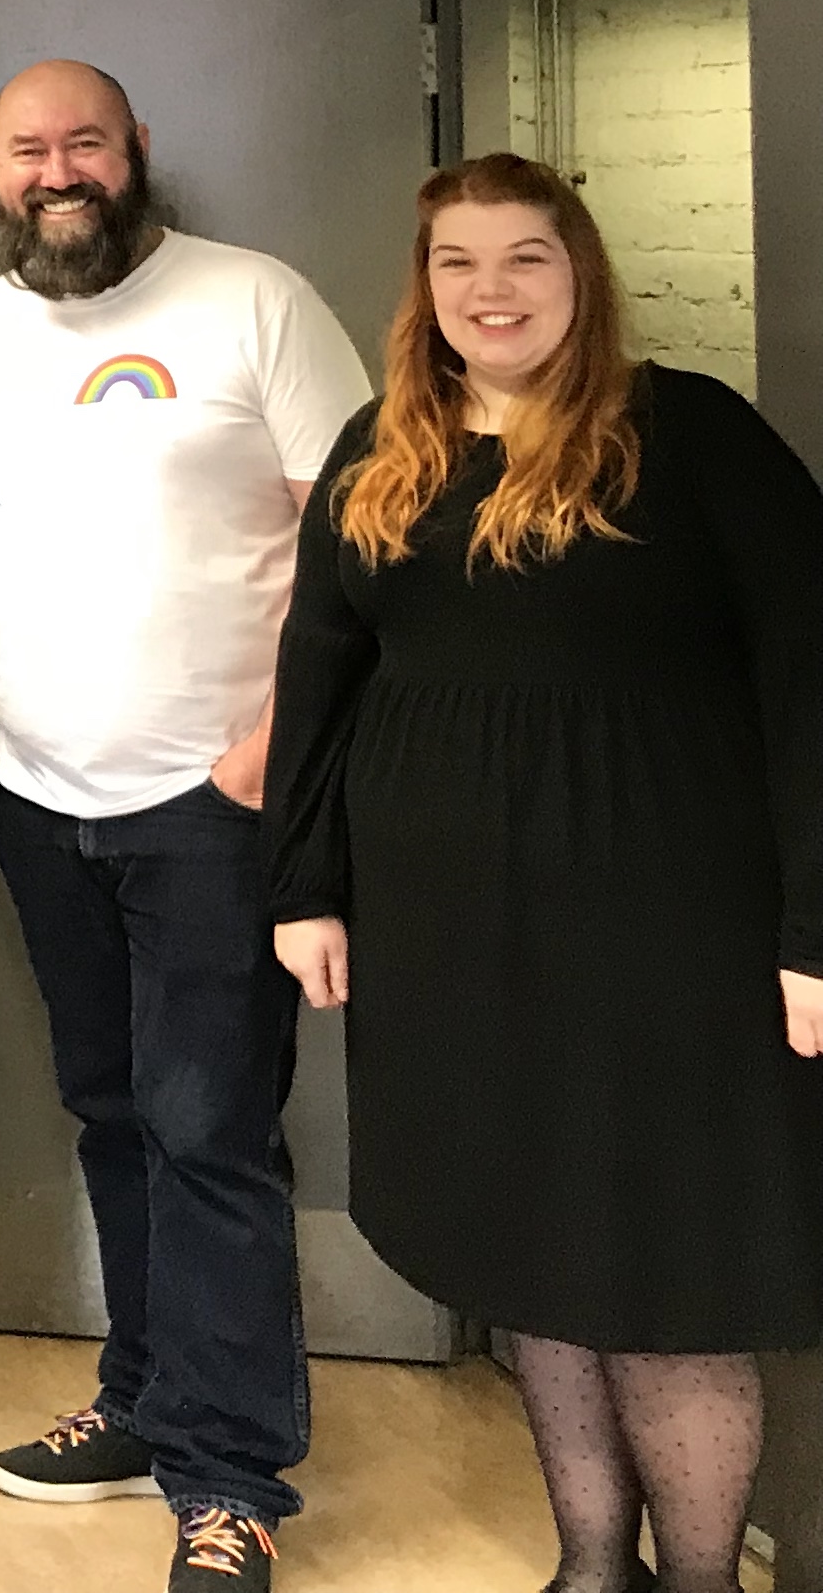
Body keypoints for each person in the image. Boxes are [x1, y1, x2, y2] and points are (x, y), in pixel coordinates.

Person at [268, 156, 823, 1593]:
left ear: (581, 273)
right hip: (450, 932)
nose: (492, 290)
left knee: (666, 1272)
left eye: (526, 257)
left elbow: (810, 673)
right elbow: (318, 669)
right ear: (425, 286)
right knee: (530, 1246)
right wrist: (302, 885)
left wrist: (815, 927)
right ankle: (590, 1569)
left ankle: (698, 1581)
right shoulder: (379, 447)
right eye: (458, 261)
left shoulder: (687, 433)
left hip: (667, 929)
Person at [0, 59, 369, 1593]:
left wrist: (267, 753)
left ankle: (231, 1477)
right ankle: (145, 1398)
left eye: (86, 144)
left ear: (137, 153)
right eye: (28, 150)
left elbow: (358, 541)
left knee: (209, 1134)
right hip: (43, 802)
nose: (59, 172)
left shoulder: (256, 301)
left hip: (211, 808)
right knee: (113, 1114)